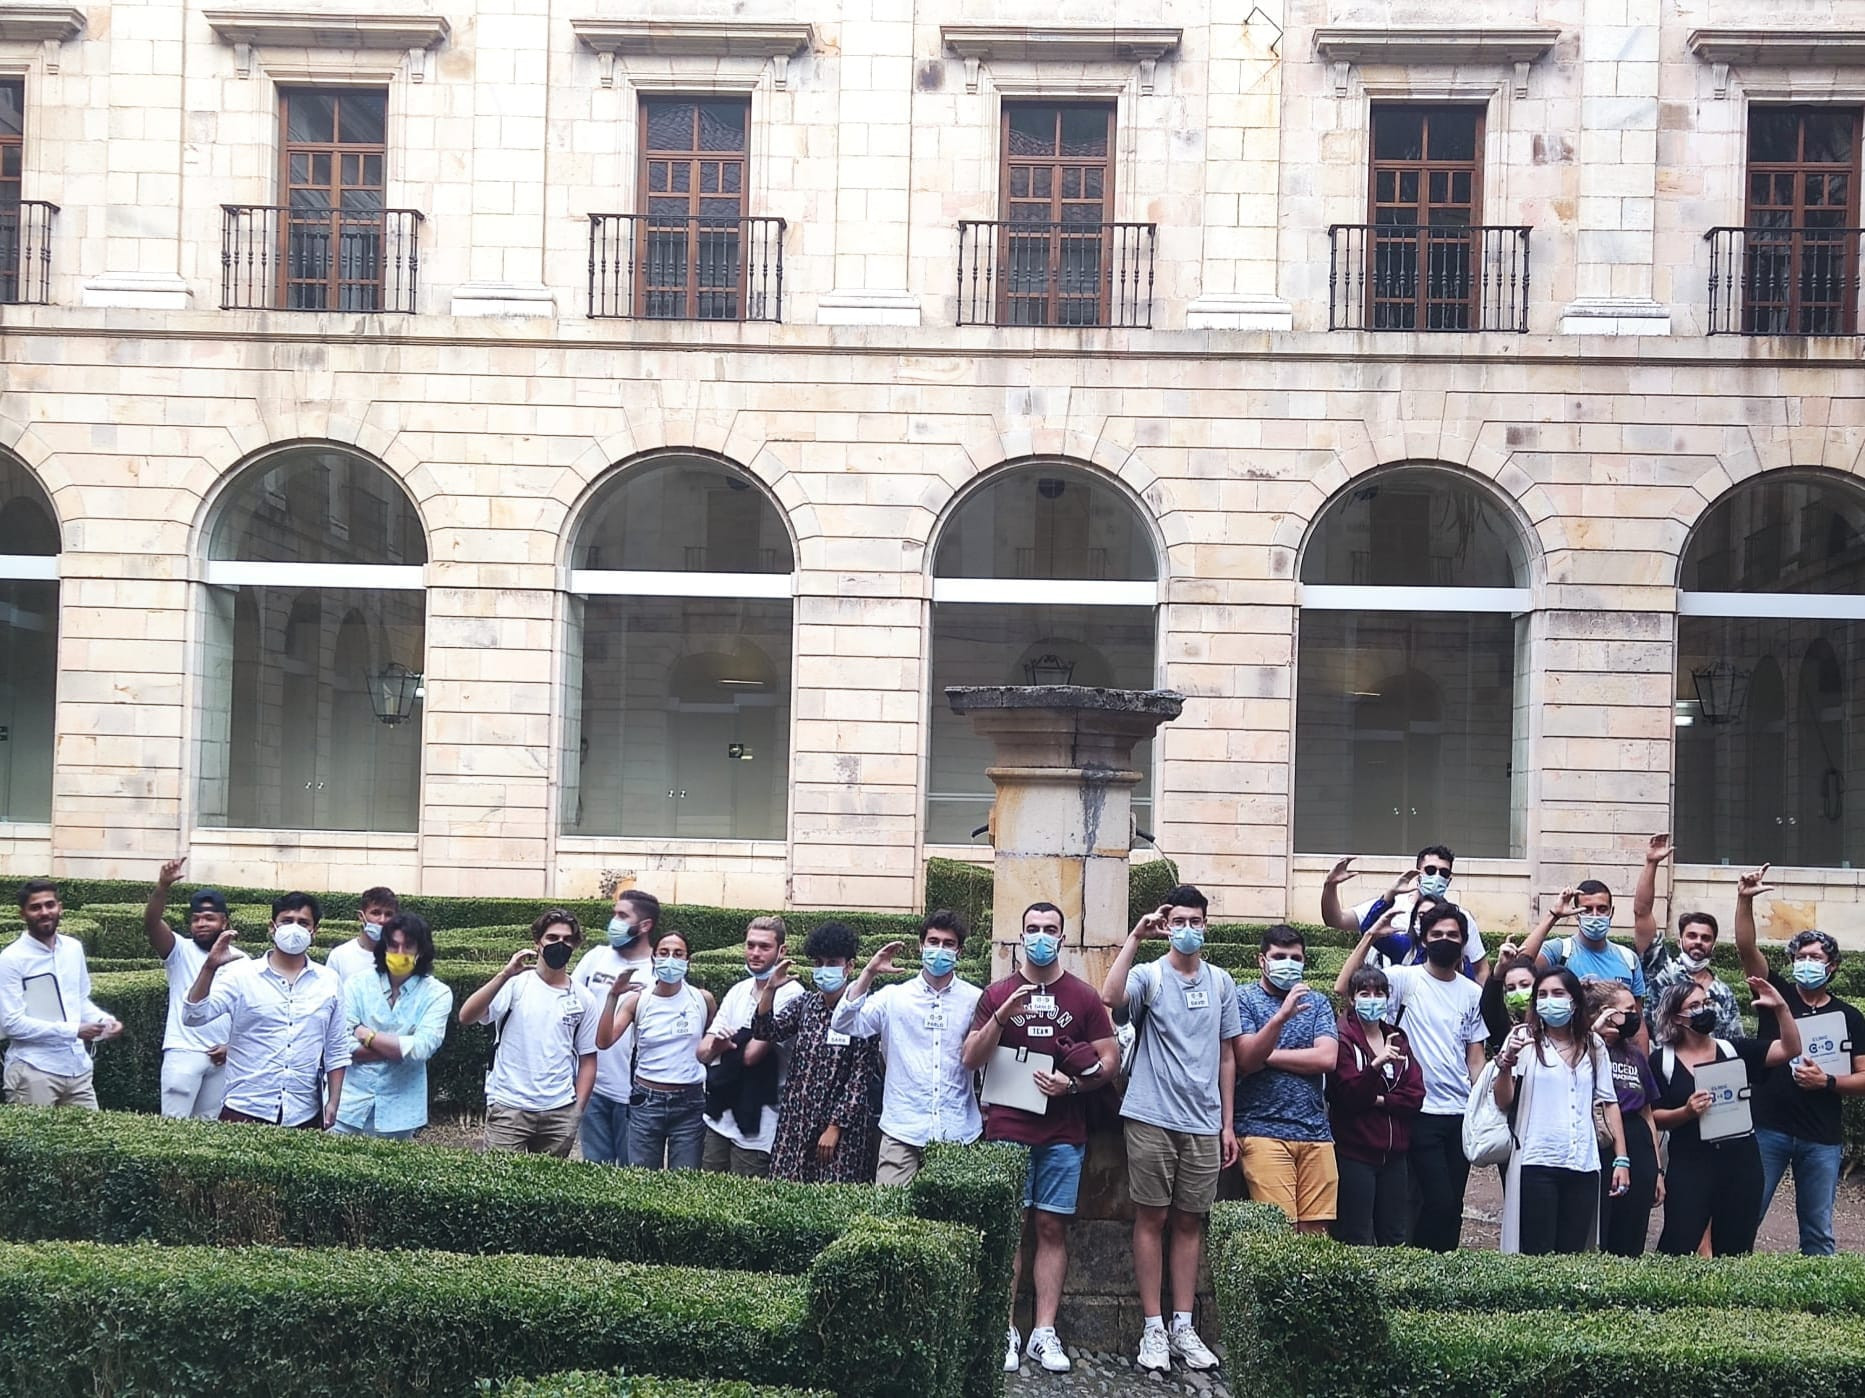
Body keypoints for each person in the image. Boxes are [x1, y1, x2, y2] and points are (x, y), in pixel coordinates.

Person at [963, 901, 1118, 1375]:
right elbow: (971, 1057)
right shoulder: (998, 993)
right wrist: (1002, 1017)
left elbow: (1110, 1060)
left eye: (1050, 929)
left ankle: (1043, 1331)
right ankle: (1004, 1328)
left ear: (1062, 937)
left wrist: (1073, 1084)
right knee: (1010, 1231)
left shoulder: (1084, 997)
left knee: (1052, 1228)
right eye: (1033, 928)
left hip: (1063, 1132)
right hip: (1008, 1128)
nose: (1041, 936)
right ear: (1020, 935)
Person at [1100, 884, 1238, 1375]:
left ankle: (1183, 1323)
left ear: (1205, 925)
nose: (1186, 930)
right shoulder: (1150, 975)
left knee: (1189, 1221)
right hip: (1152, 1115)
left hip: (1202, 1121)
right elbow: (1109, 998)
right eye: (1177, 921)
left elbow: (1227, 1056)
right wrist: (1137, 935)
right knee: (1152, 1218)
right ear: (1167, 925)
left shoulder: (1221, 982)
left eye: (1194, 921)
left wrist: (1227, 1122)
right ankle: (1153, 1326)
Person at [1335, 903, 1486, 1252]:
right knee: (1432, 1199)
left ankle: (1442, 1272)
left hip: (1459, 1113)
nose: (1445, 941)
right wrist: (1371, 934)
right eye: (1436, 935)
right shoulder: (1405, 979)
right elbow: (1345, 987)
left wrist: (1480, 1105)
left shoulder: (1472, 993)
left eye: (1452, 935)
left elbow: (1475, 1057)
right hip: (1418, 1109)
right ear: (1423, 938)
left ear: (1464, 941)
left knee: (1452, 1206)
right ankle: (1418, 1262)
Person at [1734, 864, 1865, 1257]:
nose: (1807, 962)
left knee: (1818, 1231)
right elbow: (1745, 949)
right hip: (1767, 1128)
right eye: (1801, 956)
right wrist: (1744, 900)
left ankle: (1819, 1309)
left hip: (1820, 1136)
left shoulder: (1850, 1017)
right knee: (1745, 1214)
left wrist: (1827, 1083)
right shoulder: (1776, 996)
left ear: (1833, 966)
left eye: (1816, 957)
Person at [1650, 973, 1801, 1256]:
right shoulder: (1663, 1060)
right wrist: (1685, 1112)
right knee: (1679, 1243)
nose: (1704, 1009)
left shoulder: (1733, 1050)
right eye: (1694, 1006)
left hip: (1740, 1160)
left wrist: (1781, 1008)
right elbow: (1653, 1115)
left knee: (1736, 1245)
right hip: (1690, 1162)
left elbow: (1790, 1049)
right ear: (1676, 1017)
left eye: (1706, 1002)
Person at [830, 910, 982, 1186]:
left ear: (959, 951)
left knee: (950, 1223)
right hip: (902, 1130)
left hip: (958, 1130)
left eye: (948, 944)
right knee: (889, 1216)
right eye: (933, 942)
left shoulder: (975, 999)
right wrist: (869, 972)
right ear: (920, 946)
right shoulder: (894, 997)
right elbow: (843, 1023)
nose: (939, 949)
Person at [1491, 966, 1628, 1255]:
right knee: (1537, 1252)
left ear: (1574, 1001)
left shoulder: (1594, 1045)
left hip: (1583, 1163)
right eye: (1542, 994)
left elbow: (1609, 1101)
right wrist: (1506, 1062)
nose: (1549, 1000)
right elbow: (1504, 1101)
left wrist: (1622, 1159)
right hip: (1537, 1161)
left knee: (1573, 1253)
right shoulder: (1523, 1040)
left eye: (1557, 993)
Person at [184, 892, 348, 1128]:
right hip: (244, 1108)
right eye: (286, 921)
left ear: (315, 930)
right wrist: (209, 968)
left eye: (303, 923)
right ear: (272, 927)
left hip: (304, 1112)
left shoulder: (329, 981)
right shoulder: (241, 975)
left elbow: (336, 1047)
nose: (294, 928)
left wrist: (333, 1100)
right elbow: (193, 1016)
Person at [746, 921, 882, 1184]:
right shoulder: (806, 1004)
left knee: (833, 1196)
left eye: (832, 963)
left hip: (841, 1130)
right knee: (787, 1194)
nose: (824, 970)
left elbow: (859, 1080)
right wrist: (770, 989)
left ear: (849, 967)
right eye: (819, 962)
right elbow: (765, 1031)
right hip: (797, 1120)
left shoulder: (863, 1011)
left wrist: (835, 1127)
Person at [459, 909, 598, 1156]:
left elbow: (588, 1058)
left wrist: (577, 1110)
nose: (560, 944)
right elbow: (467, 1016)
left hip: (559, 1110)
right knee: (498, 1185)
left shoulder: (584, 998)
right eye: (552, 938)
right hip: (510, 1106)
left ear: (574, 945)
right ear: (538, 943)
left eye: (567, 939)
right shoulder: (514, 985)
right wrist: (504, 974)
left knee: (549, 1190)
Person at [1233, 924, 1340, 1235]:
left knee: (1316, 1233)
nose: (1288, 963)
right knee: (1280, 1231)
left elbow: (1326, 1059)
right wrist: (1280, 1019)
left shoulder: (1317, 1002)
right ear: (1261, 961)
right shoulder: (1244, 999)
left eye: (1295, 957)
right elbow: (1245, 1059)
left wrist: (1267, 1055)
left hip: (1316, 1132)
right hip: (1262, 1130)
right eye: (1279, 956)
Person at [598, 928, 715, 1170]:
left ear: (687, 960)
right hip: (646, 1101)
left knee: (684, 1181)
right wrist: (612, 996)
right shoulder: (639, 1001)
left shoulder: (702, 999)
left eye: (678, 953)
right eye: (664, 952)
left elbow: (710, 1043)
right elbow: (603, 1041)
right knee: (641, 1180)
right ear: (654, 958)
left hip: (690, 1102)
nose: (670, 959)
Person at [0, 880, 121, 1108]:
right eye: (36, 907)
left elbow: (79, 1000)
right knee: (35, 1143)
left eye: (50, 905)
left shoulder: (73, 948)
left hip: (78, 1069)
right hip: (33, 1070)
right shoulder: (11, 959)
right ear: (22, 914)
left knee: (92, 1141)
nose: (45, 912)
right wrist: (73, 1030)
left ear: (60, 907)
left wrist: (105, 1021)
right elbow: (12, 1024)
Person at [142, 858, 247, 1119]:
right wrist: (163, 887)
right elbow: (151, 924)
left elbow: (248, 1011)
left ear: (225, 922)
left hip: (222, 1057)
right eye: (196, 919)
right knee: (174, 1127)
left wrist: (232, 1046)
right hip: (183, 1053)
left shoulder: (243, 961)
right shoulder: (179, 950)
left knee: (208, 1130)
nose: (201, 924)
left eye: (209, 918)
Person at [1328, 966, 1425, 1247]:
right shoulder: (1343, 1039)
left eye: (1379, 993)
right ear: (1352, 999)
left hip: (1395, 1156)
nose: (1373, 999)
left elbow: (1415, 1095)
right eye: (1365, 993)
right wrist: (1375, 1065)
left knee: (1395, 1235)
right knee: (1355, 1234)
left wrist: (1381, 1100)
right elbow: (1349, 1096)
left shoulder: (1397, 1038)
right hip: (1355, 1153)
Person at [698, 916, 802, 1177]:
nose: (755, 953)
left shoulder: (792, 994)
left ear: (782, 951)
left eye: (764, 947)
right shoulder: (738, 990)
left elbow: (752, 1055)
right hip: (720, 1117)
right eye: (751, 945)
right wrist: (722, 1046)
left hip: (760, 1122)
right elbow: (702, 1051)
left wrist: (722, 1047)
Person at [334, 913, 453, 1141]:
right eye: (393, 945)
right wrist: (397, 1048)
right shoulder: (357, 985)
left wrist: (365, 1034)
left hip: (400, 1113)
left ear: (421, 950)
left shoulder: (437, 993)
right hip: (347, 1106)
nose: (399, 954)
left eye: (408, 947)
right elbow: (340, 1044)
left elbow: (421, 1048)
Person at [570, 887, 659, 1164]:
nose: (615, 923)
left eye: (623, 916)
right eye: (614, 915)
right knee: (595, 1169)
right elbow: (571, 1003)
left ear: (644, 925)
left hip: (634, 1093)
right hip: (592, 1086)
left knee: (634, 1172)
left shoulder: (659, 968)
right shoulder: (596, 957)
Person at [1321, 847, 1489, 982]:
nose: (1437, 876)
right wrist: (1330, 886)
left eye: (1443, 873)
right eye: (1430, 870)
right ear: (1418, 873)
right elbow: (1336, 920)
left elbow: (1480, 969)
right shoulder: (1392, 908)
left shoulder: (1461, 917)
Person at [1586, 979, 1663, 1257]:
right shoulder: (1586, 1048)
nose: (1635, 1016)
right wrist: (1594, 1033)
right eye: (1628, 1009)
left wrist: (1656, 1170)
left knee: (1632, 1230)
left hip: (1637, 1139)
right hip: (1602, 1140)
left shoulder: (1634, 1054)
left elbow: (1647, 1113)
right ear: (1608, 1012)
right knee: (1598, 1228)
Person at [1634, 836, 1738, 1038]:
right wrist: (1652, 863)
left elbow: (1734, 1043)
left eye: (1705, 938)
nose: (1698, 941)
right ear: (1679, 941)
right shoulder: (1661, 969)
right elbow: (1642, 913)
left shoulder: (1723, 993)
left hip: (1707, 1068)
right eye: (1692, 935)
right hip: (1661, 1064)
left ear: (1713, 945)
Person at [1519, 883, 1646, 999]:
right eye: (1587, 910)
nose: (1595, 916)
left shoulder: (1629, 959)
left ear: (1611, 912)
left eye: (1602, 909)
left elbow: (1637, 1015)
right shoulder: (1558, 951)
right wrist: (1554, 915)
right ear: (1576, 913)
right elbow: (1520, 966)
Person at [324, 886, 400, 982]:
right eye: (376, 913)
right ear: (361, 916)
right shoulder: (339, 955)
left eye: (388, 914)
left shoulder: (402, 955)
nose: (382, 920)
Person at [1477, 952, 1538, 1054]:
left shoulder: (1549, 1019)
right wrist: (1498, 970)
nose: (1518, 991)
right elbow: (1490, 1006)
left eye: (1524, 985)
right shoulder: (1505, 1026)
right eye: (1511, 988)